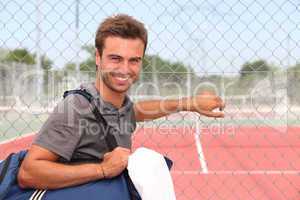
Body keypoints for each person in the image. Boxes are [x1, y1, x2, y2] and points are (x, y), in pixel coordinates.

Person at [17, 14, 225, 190]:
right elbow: (28, 172)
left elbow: (135, 111)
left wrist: (189, 103)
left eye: (134, 60)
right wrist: (102, 169)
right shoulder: (76, 107)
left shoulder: (119, 104)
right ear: (98, 57)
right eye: (115, 58)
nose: (125, 69)